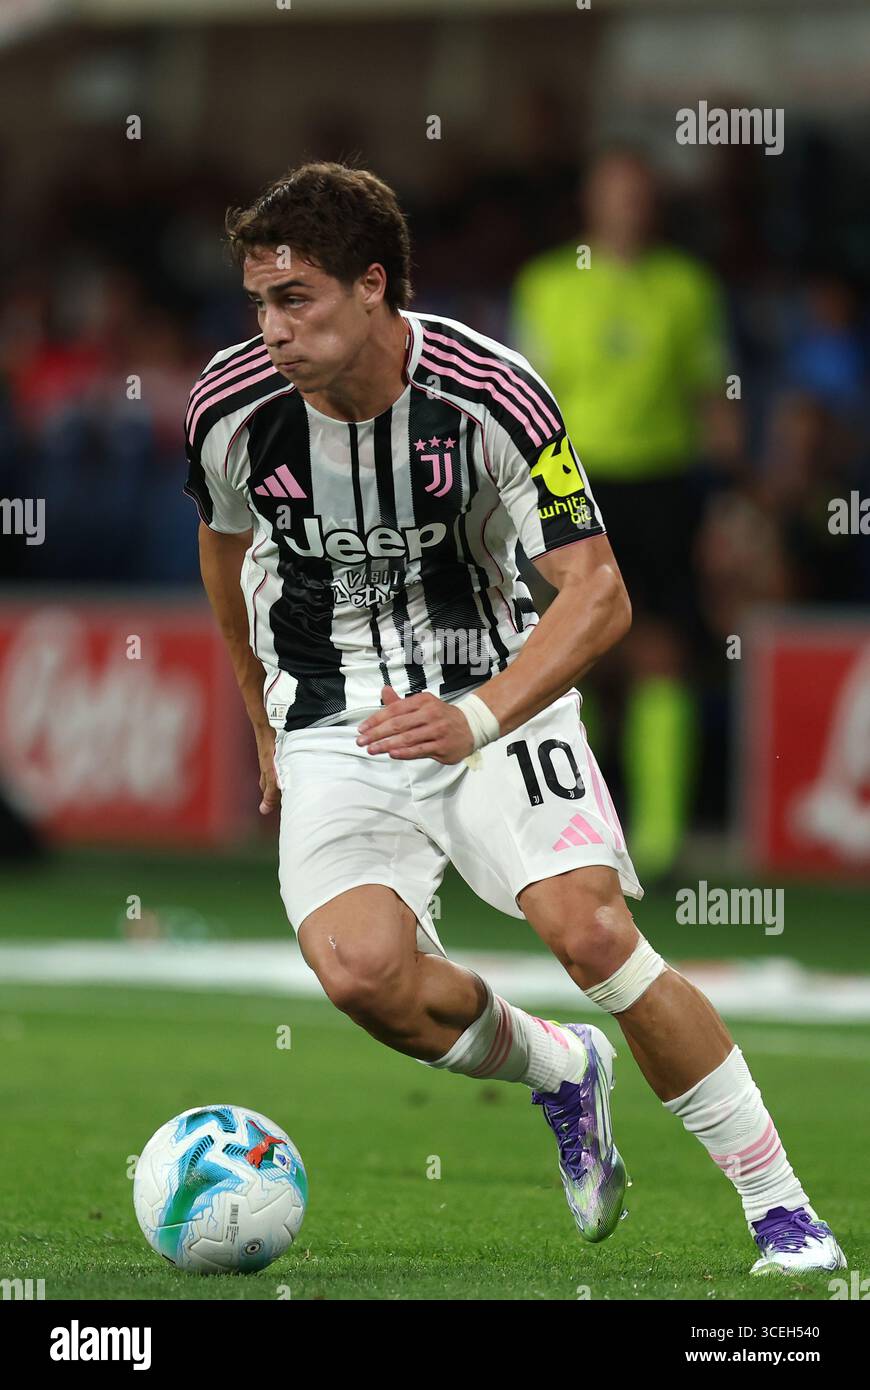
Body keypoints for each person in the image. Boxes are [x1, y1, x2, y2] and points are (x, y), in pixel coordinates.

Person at [184, 161, 844, 1274]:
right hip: (333, 715)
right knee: (360, 975)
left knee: (590, 932)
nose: (273, 329)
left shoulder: (494, 395)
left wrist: (479, 716)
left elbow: (599, 591)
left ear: (373, 287)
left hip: (493, 690)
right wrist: (259, 714)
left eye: (294, 299)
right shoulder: (230, 408)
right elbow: (223, 545)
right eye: (259, 302)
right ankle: (561, 1070)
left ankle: (784, 1211)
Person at [512, 146, 738, 880]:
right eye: (614, 192)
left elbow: (712, 397)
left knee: (662, 652)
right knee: (570, 660)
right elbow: (523, 403)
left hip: (663, 485)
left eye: (638, 193)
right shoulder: (547, 284)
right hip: (570, 485)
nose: (627, 206)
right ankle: (579, 829)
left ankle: (662, 842)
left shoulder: (686, 286)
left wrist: (730, 502)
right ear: (591, 201)